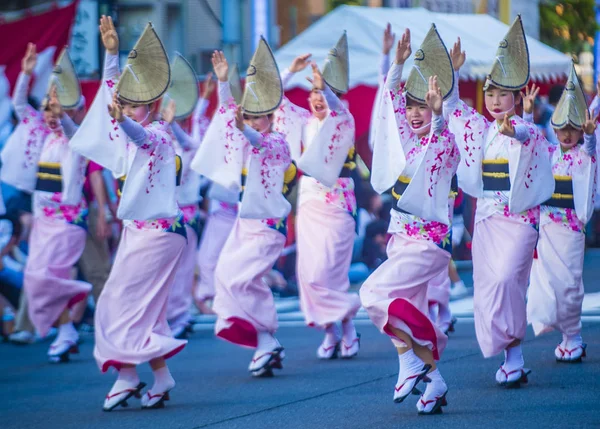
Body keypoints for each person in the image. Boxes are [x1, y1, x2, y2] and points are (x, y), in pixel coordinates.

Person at [69, 16, 187, 410]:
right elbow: (111, 96)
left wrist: (124, 119)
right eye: (125, 106)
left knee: (116, 304)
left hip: (158, 234)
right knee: (141, 309)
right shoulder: (127, 132)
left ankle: (126, 376)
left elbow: (135, 131)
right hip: (148, 233)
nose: (126, 111)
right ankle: (160, 376)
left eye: (137, 106)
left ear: (151, 107)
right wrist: (111, 54)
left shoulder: (158, 135)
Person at [446, 16, 554, 387]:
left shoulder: (529, 131)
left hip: (521, 219)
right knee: (490, 285)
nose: (494, 101)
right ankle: (513, 355)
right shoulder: (480, 128)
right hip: (489, 218)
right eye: (490, 95)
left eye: (501, 96)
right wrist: (454, 74)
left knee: (509, 278)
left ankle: (516, 350)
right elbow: (452, 110)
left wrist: (520, 123)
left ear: (516, 97)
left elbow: (528, 136)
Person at [361, 26, 459, 415]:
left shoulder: (443, 142)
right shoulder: (405, 140)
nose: (415, 113)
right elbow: (390, 105)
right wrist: (397, 64)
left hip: (430, 246)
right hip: (402, 241)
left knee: (372, 295)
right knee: (407, 314)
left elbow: (440, 137)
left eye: (424, 105)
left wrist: (438, 114)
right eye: (412, 106)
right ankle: (434, 382)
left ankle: (409, 362)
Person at [191, 40, 296, 377]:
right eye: (249, 115)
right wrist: (224, 83)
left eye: (259, 116)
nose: (254, 121)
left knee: (240, 280)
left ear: (271, 116)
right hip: (244, 224)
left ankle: (266, 342)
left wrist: (244, 127)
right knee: (231, 278)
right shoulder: (245, 133)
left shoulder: (277, 141)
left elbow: (256, 138)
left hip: (268, 228)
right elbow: (228, 117)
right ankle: (266, 341)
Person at [274, 33, 361, 360]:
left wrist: (326, 87)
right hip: (309, 199)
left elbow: (336, 107)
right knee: (309, 273)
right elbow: (275, 100)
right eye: (312, 92)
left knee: (329, 271)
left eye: (324, 92)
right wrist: (290, 72)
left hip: (338, 202)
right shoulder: (302, 122)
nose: (317, 98)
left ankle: (348, 323)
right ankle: (331, 330)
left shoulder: (344, 119)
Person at [10, 44, 91, 363]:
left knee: (46, 278)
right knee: (35, 280)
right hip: (43, 221)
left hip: (68, 224)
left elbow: (70, 129)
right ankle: (66, 331)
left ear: (70, 112)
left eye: (56, 110)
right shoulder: (41, 135)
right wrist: (26, 74)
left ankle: (77, 297)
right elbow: (18, 105)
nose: (49, 115)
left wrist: (63, 114)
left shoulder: (76, 139)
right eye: (46, 109)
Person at [525, 63, 596, 363]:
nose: (566, 135)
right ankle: (563, 331)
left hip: (570, 231)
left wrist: (591, 130)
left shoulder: (583, 155)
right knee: (547, 284)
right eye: (561, 128)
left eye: (572, 128)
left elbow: (591, 147)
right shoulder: (548, 152)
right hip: (547, 227)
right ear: (554, 128)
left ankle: (574, 335)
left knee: (570, 285)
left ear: (580, 130)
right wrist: (527, 114)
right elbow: (526, 140)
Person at [165, 56, 214, 338]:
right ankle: (171, 316)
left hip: (187, 212)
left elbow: (192, 129)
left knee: (183, 268)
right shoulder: (160, 140)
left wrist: (203, 99)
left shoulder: (188, 143)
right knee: (168, 269)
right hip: (167, 213)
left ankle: (180, 316)